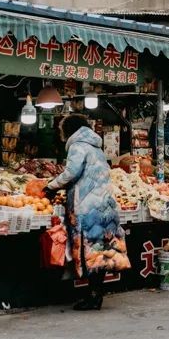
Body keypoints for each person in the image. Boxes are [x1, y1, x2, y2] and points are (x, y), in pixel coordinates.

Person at [47, 114, 128, 310]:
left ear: (70, 130)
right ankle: (96, 294)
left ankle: (93, 297)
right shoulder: (96, 148)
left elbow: (71, 172)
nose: (60, 134)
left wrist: (50, 186)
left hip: (87, 209)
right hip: (104, 206)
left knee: (90, 251)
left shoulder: (77, 146)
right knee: (101, 251)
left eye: (62, 130)